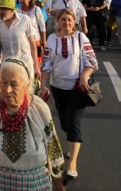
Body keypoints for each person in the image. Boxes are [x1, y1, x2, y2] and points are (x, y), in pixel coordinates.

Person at [0, 58, 65, 191]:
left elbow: (53, 151)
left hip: (34, 185)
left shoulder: (40, 110)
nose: (7, 90)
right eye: (3, 83)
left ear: (27, 85)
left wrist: (60, 187)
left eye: (14, 84)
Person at [40, 9, 98, 180]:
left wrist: (84, 75)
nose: (66, 23)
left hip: (77, 88)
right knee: (65, 122)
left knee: (73, 122)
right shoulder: (51, 38)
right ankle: (70, 142)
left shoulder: (81, 37)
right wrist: (43, 85)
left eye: (69, 20)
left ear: (74, 21)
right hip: (58, 87)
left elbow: (92, 61)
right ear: (58, 21)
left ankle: (72, 163)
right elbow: (45, 63)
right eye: (63, 19)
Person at [0, 0, 41, 79]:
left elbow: (32, 44)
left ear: (12, 10)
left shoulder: (25, 20)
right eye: (0, 9)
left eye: (4, 9)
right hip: (7, 65)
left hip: (25, 64)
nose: (1, 11)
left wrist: (36, 67)